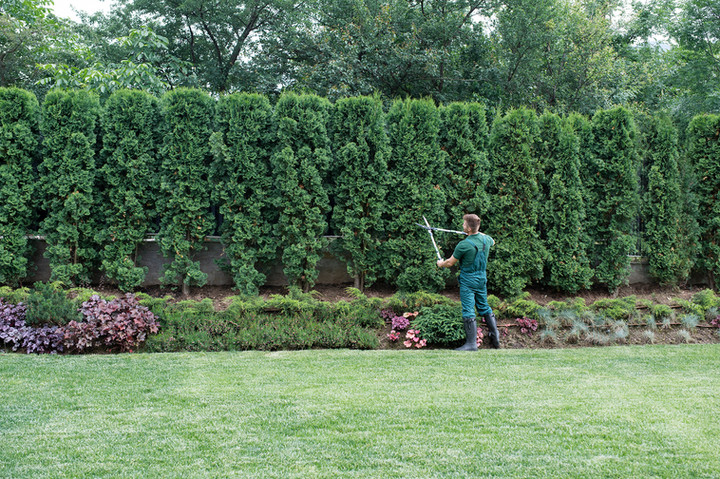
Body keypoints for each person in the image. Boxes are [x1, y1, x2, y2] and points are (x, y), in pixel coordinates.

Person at [436, 214, 500, 351]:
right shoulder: (486, 240)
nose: (462, 226)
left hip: (468, 280)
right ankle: (496, 339)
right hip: (481, 278)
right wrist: (477, 232)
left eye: (464, 224)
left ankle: (471, 344)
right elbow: (493, 241)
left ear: (469, 228)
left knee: (468, 309)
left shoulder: (463, 245)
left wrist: (441, 264)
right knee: (484, 306)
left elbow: (450, 263)